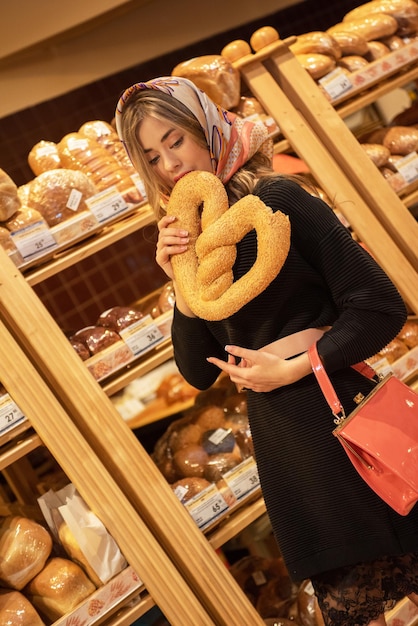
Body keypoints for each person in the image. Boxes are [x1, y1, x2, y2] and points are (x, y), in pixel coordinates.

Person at [115, 76, 418, 626]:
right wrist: (178, 284)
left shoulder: (274, 198)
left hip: (343, 419)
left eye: (175, 141)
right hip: (286, 452)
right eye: (152, 156)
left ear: (204, 128)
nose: (169, 166)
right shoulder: (193, 235)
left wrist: (295, 364)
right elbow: (195, 373)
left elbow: (380, 304)